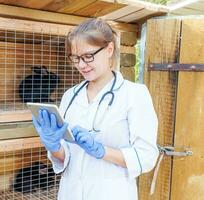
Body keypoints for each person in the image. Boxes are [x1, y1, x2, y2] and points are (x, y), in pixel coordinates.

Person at [32, 18, 158, 200]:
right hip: (70, 193)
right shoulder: (70, 96)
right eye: (75, 58)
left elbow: (146, 157)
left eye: (88, 56)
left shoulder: (135, 94)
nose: (81, 65)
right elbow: (66, 157)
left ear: (109, 49)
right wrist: (54, 147)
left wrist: (102, 150)